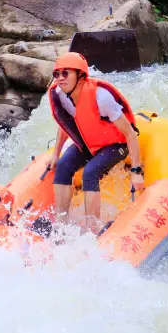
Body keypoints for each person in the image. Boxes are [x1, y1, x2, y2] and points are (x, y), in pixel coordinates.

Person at [47, 52, 145, 233]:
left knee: (90, 172)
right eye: (56, 74)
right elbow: (65, 124)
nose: (60, 79)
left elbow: (130, 134)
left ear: (80, 75)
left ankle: (91, 229)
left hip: (116, 144)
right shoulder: (61, 94)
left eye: (66, 73)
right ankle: (60, 225)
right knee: (62, 166)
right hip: (89, 142)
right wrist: (55, 154)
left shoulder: (101, 97)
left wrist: (136, 171)